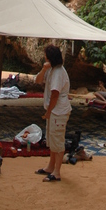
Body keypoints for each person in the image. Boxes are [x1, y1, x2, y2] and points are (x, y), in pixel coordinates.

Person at [34, 44, 72, 182]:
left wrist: (48, 112)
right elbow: (38, 80)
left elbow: (55, 95)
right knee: (52, 140)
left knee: (58, 140)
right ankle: (50, 166)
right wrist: (43, 69)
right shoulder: (51, 70)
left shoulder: (58, 72)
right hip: (54, 110)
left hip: (58, 111)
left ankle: (57, 172)